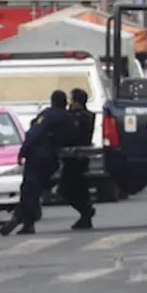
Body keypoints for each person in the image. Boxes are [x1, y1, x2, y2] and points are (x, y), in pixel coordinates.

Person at [0, 90, 76, 236]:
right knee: (34, 190)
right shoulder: (68, 118)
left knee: (29, 189)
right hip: (52, 159)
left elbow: (34, 133)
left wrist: (23, 152)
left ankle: (23, 219)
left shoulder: (48, 115)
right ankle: (26, 220)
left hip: (38, 156)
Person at [58, 88, 96, 230]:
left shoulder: (84, 117)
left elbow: (76, 134)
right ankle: (85, 215)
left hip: (78, 158)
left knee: (66, 190)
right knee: (79, 189)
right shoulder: (73, 115)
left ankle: (86, 211)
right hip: (72, 158)